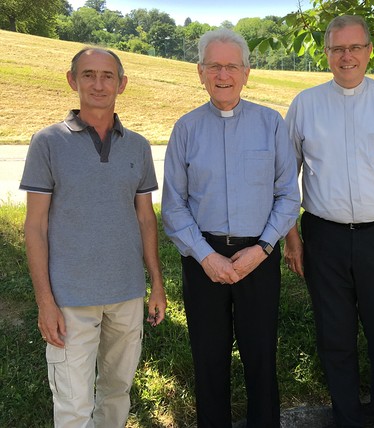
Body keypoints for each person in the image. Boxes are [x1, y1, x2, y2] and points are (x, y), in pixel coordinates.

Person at [284, 15, 374, 428]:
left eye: (354, 47)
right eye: (337, 48)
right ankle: (346, 418)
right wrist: (291, 236)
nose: (346, 56)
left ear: (369, 51)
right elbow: (284, 176)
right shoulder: (305, 105)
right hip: (322, 238)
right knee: (335, 338)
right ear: (326, 54)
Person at [161, 28, 300, 428]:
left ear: (247, 72)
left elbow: (288, 196)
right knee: (209, 359)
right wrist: (205, 256)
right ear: (200, 72)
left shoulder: (271, 124)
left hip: (259, 255)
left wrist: (264, 248)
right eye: (215, 66)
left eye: (232, 66)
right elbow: (173, 205)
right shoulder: (186, 129)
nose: (224, 75)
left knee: (261, 357)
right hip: (202, 259)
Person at [21, 48, 166, 427]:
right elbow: (34, 225)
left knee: (117, 394)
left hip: (127, 294)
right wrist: (45, 301)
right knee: (73, 406)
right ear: (73, 80)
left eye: (107, 75)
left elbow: (145, 218)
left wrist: (156, 285)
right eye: (88, 75)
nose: (98, 84)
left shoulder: (138, 145)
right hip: (70, 300)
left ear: (122, 83)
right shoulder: (48, 142)